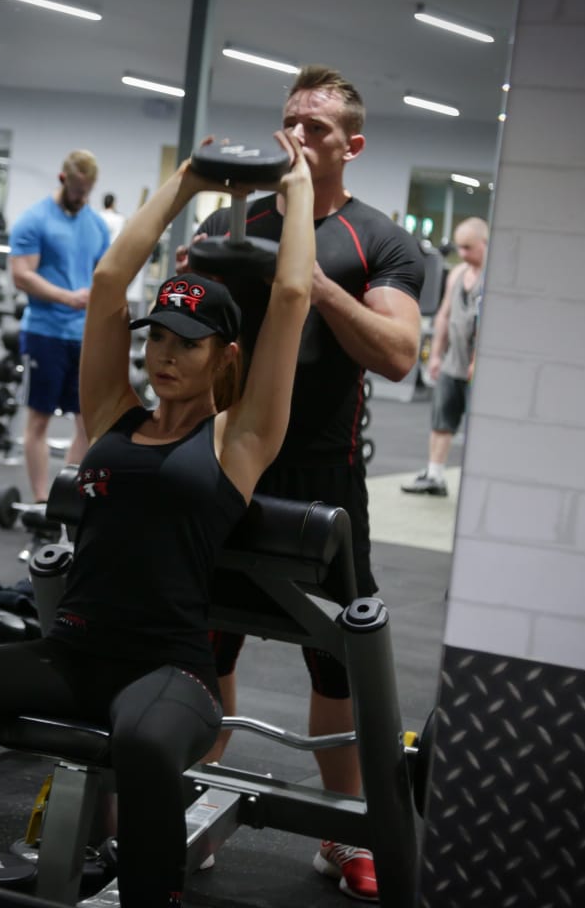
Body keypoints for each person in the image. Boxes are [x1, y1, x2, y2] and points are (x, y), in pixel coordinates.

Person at [0, 133, 317, 908]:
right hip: (68, 657)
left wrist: (296, 189)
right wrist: (184, 181)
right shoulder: (113, 415)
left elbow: (292, 298)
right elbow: (107, 280)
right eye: (157, 337)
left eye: (188, 344)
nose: (164, 355)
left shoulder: (239, 439)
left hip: (170, 674)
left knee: (142, 746)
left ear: (225, 356)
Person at [182, 65, 423, 903]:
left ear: (352, 146)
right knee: (204, 642)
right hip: (229, 462)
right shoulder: (232, 220)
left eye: (315, 127)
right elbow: (182, 332)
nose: (296, 136)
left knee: (339, 663)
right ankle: (184, 805)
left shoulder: (377, 239)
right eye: (289, 121)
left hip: (326, 477)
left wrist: (311, 281)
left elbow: (398, 354)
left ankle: (342, 830)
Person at [8, 150, 110, 503]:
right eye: (77, 190)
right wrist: (67, 297)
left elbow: (105, 275)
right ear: (63, 179)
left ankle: (63, 499)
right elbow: (21, 275)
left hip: (84, 336)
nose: (81, 198)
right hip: (44, 333)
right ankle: (40, 500)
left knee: (85, 423)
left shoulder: (97, 226)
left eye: (87, 192)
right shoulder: (34, 219)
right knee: (39, 421)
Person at [402, 217, 487, 497]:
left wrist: (478, 360)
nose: (462, 253)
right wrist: (436, 356)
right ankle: (435, 476)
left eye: (468, 247)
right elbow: (444, 316)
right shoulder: (458, 274)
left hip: (480, 369)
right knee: (442, 419)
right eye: (459, 247)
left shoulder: (492, 278)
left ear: (484, 244)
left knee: (479, 429)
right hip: (454, 362)